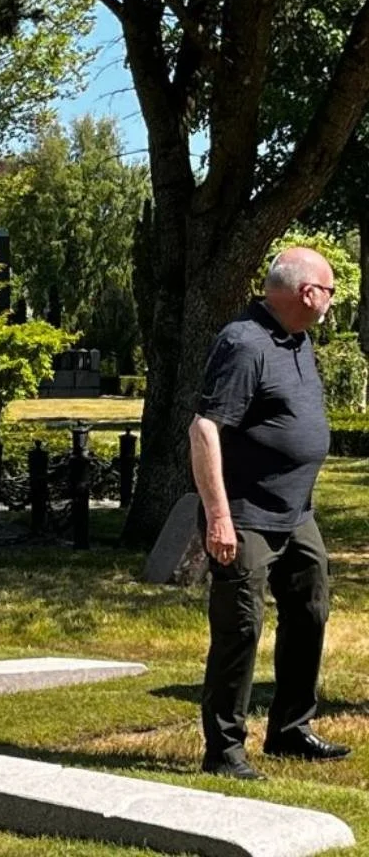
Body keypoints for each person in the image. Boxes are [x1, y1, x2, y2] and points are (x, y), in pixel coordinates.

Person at [189, 246, 350, 780]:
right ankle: (225, 751)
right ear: (307, 293)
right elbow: (205, 429)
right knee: (240, 627)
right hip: (244, 514)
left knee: (309, 610)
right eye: (328, 290)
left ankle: (290, 729)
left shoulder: (297, 339)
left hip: (294, 513)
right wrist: (217, 518)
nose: (331, 299)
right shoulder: (244, 343)